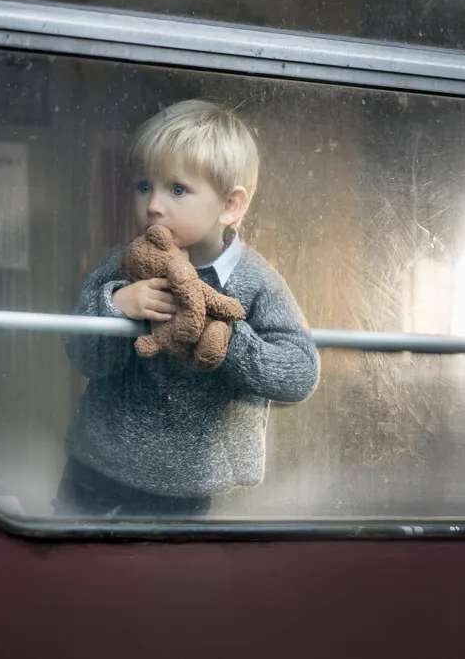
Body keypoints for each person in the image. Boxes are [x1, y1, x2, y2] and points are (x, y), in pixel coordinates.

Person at [59, 99, 319, 518]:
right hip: (97, 467)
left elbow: (300, 374)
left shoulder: (255, 282)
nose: (154, 205)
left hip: (188, 488)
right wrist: (114, 308)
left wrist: (225, 340)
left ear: (231, 205)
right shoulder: (124, 265)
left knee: (166, 581)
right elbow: (84, 357)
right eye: (144, 185)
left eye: (177, 189)